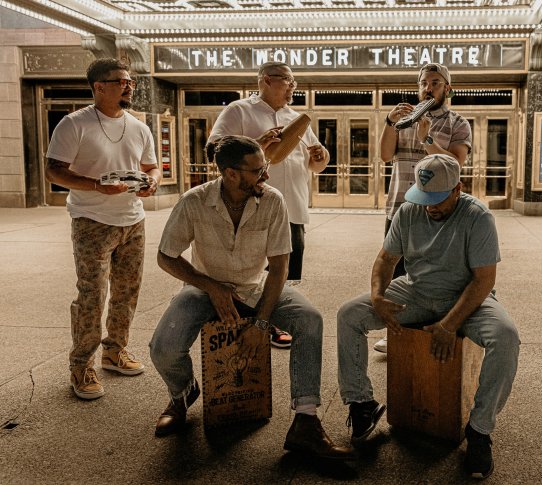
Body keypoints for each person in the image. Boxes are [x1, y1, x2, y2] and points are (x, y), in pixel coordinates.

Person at [149, 135, 353, 460]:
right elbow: (166, 256)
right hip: (204, 290)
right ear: (231, 174)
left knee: (309, 319)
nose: (266, 175)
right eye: (258, 170)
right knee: (164, 347)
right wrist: (210, 286)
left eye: (265, 167)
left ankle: (306, 421)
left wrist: (262, 322)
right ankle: (182, 395)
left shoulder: (273, 200)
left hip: (256, 287)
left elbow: (280, 266)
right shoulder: (194, 201)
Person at [337, 154, 519, 478]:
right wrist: (378, 296)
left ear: (458, 189)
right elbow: (385, 260)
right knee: (350, 314)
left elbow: (483, 280)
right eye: (424, 199)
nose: (429, 207)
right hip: (416, 291)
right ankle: (361, 403)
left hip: (466, 297)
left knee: (506, 337)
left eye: (437, 200)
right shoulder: (408, 211)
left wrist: (450, 325)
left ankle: (479, 430)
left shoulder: (478, 217)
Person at [45, 58, 160, 400]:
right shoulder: (74, 123)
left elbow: (151, 167)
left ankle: (115, 350)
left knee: (127, 292)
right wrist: (96, 186)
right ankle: (81, 364)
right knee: (92, 295)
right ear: (99, 87)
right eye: (121, 81)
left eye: (130, 82)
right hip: (91, 220)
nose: (129, 86)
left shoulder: (138, 127)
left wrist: (152, 183)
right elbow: (54, 170)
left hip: (133, 220)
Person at [208, 61, 330, 349]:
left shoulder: (296, 118)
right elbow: (215, 150)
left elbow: (315, 166)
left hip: (293, 206)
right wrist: (256, 144)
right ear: (266, 79)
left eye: (294, 82)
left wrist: (321, 156)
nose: (293, 86)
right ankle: (247, 320)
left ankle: (273, 319)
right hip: (252, 205)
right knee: (251, 270)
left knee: (284, 270)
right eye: (288, 80)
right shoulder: (239, 110)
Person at [374, 63, 472, 354]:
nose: (428, 88)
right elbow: (384, 155)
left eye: (435, 82)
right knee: (396, 271)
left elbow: (455, 164)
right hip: (400, 206)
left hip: (439, 210)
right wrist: (390, 122)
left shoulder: (458, 123)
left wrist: (427, 139)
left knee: (434, 271)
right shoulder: (404, 119)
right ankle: (395, 332)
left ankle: (438, 326)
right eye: (423, 83)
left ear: (447, 88)